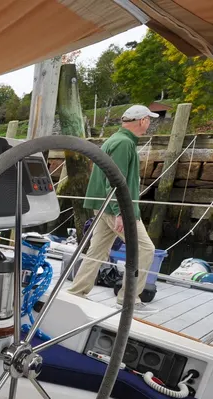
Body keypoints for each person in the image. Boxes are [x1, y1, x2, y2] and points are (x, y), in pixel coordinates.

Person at [67, 104, 157, 313]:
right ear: (142, 120)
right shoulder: (124, 143)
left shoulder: (117, 140)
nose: (150, 123)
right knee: (145, 249)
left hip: (104, 205)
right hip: (115, 208)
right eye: (149, 119)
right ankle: (129, 299)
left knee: (97, 250)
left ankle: (77, 291)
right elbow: (115, 181)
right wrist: (120, 212)